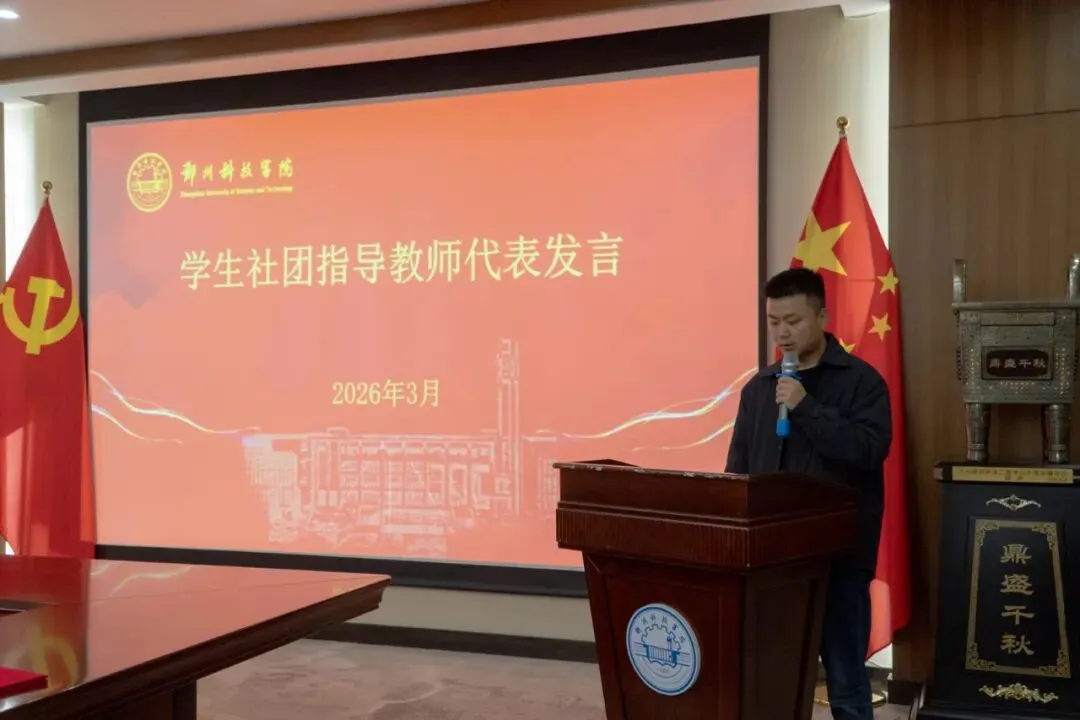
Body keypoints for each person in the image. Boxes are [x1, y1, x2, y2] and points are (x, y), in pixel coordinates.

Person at [725, 267, 891, 720]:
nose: (783, 332)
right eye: (774, 321)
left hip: (839, 562)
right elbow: (738, 470)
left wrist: (806, 407)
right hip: (772, 564)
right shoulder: (759, 389)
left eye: (793, 321)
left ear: (822, 316)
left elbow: (868, 451)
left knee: (846, 683)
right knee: (772, 680)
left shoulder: (861, 382)